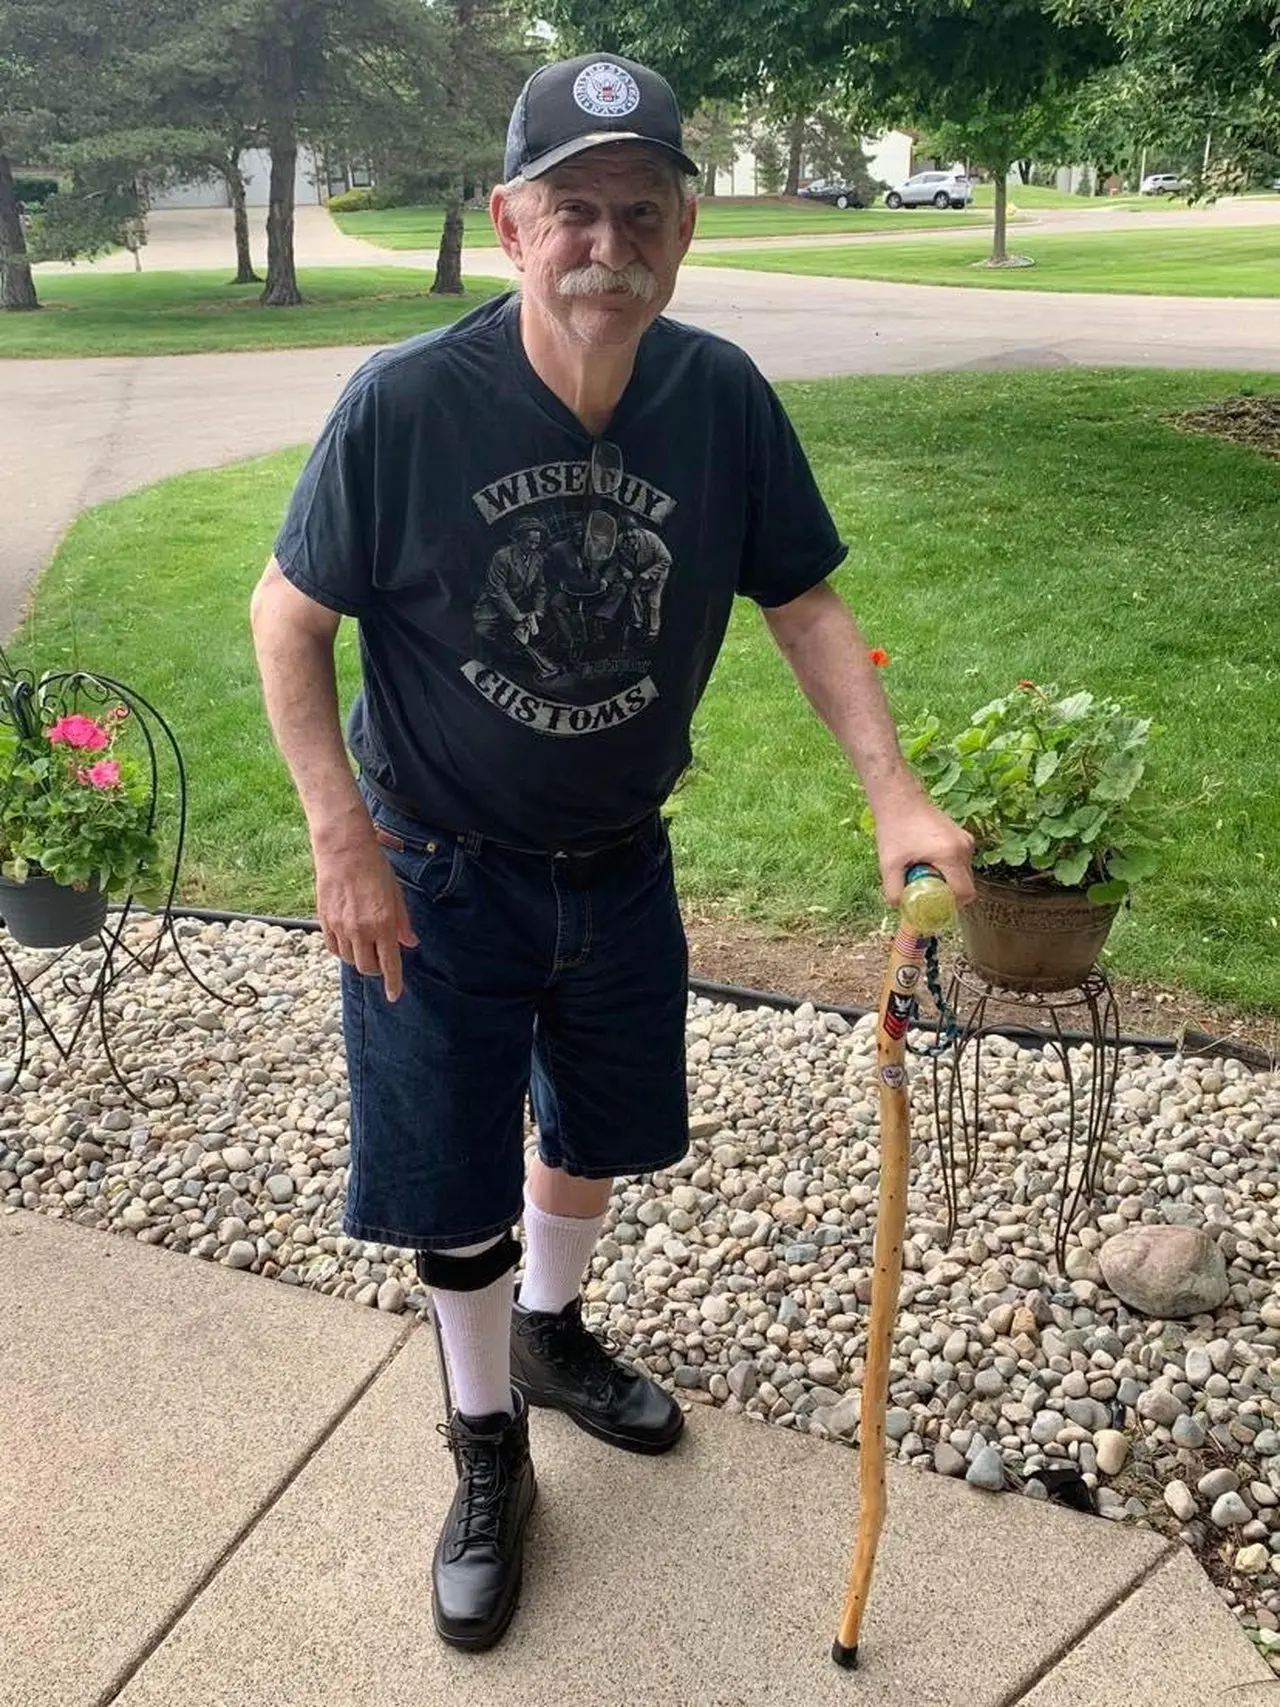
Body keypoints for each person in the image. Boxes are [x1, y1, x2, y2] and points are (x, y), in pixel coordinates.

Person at [250, 50, 975, 1655]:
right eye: (572, 208)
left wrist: (895, 795)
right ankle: (486, 1438)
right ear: (512, 223)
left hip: (618, 858)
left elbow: (807, 603)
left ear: (685, 229)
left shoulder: (717, 398)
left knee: (598, 1126)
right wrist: (341, 839)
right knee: (449, 1166)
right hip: (433, 869)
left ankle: (557, 1334)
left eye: (638, 208)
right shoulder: (409, 401)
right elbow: (286, 619)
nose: (606, 238)